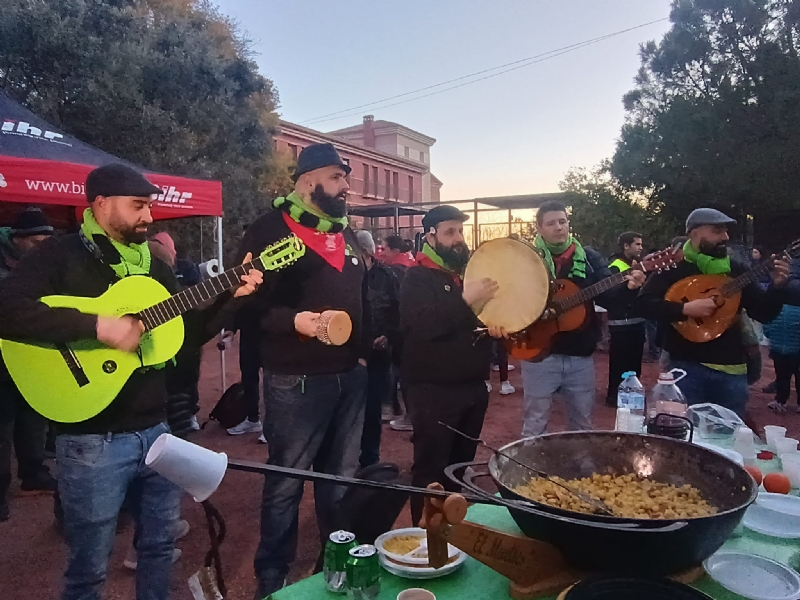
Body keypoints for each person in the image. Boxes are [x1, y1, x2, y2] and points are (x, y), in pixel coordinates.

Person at [0, 164, 262, 600]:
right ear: (101, 203)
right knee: (90, 565)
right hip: (91, 439)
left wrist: (231, 298)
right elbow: (7, 307)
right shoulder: (60, 255)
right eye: (138, 206)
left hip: (157, 431)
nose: (148, 217)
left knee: (159, 547)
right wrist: (97, 326)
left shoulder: (155, 269)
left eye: (150, 206)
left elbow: (183, 336)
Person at [239, 143, 370, 598]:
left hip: (349, 377)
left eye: (345, 178)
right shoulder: (268, 231)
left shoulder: (345, 232)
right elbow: (247, 306)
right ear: (309, 179)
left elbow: (361, 297)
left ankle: (331, 569)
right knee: (286, 484)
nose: (346, 186)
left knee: (340, 483)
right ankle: (271, 579)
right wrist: (294, 321)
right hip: (293, 381)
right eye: (337, 177)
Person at [399, 204, 501, 526]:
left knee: (459, 467)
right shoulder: (415, 276)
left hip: (472, 387)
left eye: (460, 231)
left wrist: (495, 326)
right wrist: (465, 299)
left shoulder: (467, 276)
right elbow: (425, 324)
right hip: (432, 391)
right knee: (431, 470)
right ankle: (423, 540)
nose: (458, 238)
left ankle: (454, 536)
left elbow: (476, 322)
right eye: (449, 232)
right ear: (430, 236)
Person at [635, 208, 788, 417]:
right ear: (695, 233)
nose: (725, 237)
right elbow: (643, 304)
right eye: (717, 231)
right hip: (685, 367)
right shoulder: (673, 268)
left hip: (732, 371)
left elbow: (763, 313)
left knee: (728, 438)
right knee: (682, 434)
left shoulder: (736, 269)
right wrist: (684, 309)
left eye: (725, 231)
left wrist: (777, 288)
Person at [520, 201, 645, 437]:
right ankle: (528, 470)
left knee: (582, 424)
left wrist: (630, 287)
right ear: (539, 228)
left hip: (580, 354)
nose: (559, 227)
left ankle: (578, 471)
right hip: (539, 352)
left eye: (562, 221)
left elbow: (610, 298)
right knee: (535, 422)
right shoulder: (527, 259)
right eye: (551, 223)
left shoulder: (588, 258)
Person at [0, 207, 58, 522]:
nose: (41, 249)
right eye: (35, 243)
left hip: (34, 353)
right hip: (2, 358)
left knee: (34, 415)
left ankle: (33, 473)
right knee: (2, 425)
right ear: (18, 239)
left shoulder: (41, 264)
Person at [354, 230, 400, 468]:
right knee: (349, 411)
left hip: (379, 357)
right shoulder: (348, 275)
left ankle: (369, 458)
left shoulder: (387, 276)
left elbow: (396, 311)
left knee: (372, 409)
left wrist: (388, 336)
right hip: (351, 357)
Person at [604, 231, 646, 407]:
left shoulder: (638, 265)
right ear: (626, 246)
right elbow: (613, 297)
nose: (640, 248)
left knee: (634, 363)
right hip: (621, 324)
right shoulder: (615, 266)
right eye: (637, 244)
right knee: (619, 364)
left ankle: (632, 393)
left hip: (637, 322)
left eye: (641, 244)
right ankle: (614, 397)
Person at [763, 304, 800, 414]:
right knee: (782, 375)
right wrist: (770, 333)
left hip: (796, 349)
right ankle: (780, 400)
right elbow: (767, 322)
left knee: (797, 376)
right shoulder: (776, 307)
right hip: (778, 348)